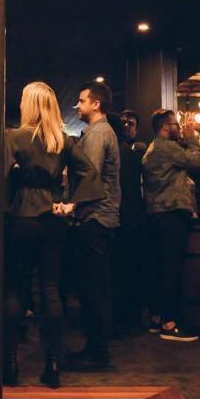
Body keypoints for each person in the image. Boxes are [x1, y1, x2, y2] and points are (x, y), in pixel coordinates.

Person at [4, 81, 102, 387]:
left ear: (29, 104)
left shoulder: (13, 137)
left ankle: (10, 365)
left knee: (16, 290)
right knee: (50, 290)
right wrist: (71, 204)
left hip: (21, 218)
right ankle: (53, 365)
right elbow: (91, 175)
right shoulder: (63, 140)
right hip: (53, 220)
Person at [143, 108, 200, 342]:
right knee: (171, 267)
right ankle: (170, 323)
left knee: (159, 266)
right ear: (166, 127)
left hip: (156, 213)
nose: (180, 127)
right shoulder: (167, 147)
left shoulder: (152, 148)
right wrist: (192, 138)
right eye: (176, 124)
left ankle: (157, 318)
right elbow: (197, 161)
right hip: (171, 214)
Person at [65, 81, 121, 371]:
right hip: (99, 217)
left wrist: (70, 206)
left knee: (95, 289)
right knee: (95, 287)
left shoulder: (98, 134)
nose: (78, 105)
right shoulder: (98, 132)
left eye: (82, 100)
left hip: (96, 218)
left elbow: (91, 176)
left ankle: (97, 353)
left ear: (96, 104)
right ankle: (96, 349)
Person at [114, 109, 147, 335]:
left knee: (131, 268)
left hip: (133, 215)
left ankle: (129, 318)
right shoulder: (123, 150)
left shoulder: (140, 151)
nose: (127, 125)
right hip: (124, 215)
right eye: (124, 122)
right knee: (124, 269)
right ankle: (127, 318)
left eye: (131, 122)